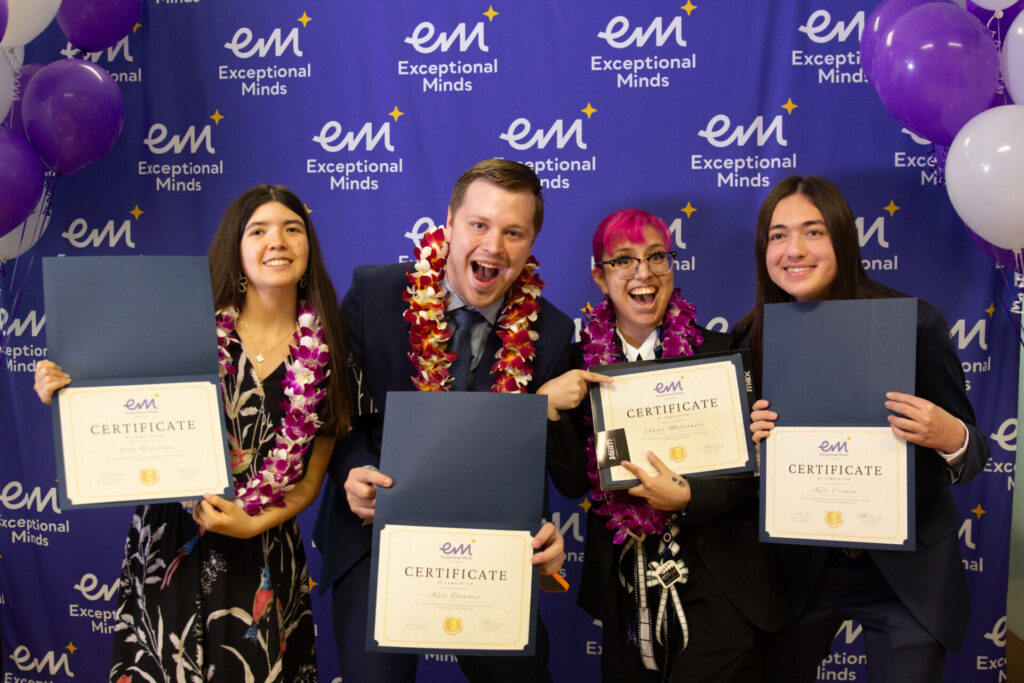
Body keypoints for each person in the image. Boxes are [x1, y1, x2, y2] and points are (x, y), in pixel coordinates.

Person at [34, 185, 350, 682]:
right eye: (259, 230)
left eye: (293, 229)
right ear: (236, 246)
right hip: (171, 544)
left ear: (308, 246)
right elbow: (112, 386)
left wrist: (251, 522)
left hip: (263, 547)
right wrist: (65, 386)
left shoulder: (332, 348)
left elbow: (310, 480)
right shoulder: (186, 325)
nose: (278, 241)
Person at [312, 158, 576, 683]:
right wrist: (354, 472)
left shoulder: (550, 330)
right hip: (377, 537)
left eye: (513, 232)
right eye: (479, 224)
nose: (493, 247)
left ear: (530, 243)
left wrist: (542, 528)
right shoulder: (375, 294)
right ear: (449, 223)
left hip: (490, 544)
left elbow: (542, 468)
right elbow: (338, 414)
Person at [733, 175, 990, 682]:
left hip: (904, 576)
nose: (794, 250)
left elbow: (976, 451)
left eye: (814, 231)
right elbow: (740, 478)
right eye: (778, 235)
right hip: (800, 573)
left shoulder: (915, 324)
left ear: (843, 240)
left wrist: (950, 436)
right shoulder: (750, 337)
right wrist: (750, 445)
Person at [535, 207, 791, 682]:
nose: (643, 273)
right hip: (625, 585)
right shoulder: (574, 366)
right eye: (623, 260)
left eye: (657, 256)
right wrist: (547, 411)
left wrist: (688, 496)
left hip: (719, 579)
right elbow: (572, 485)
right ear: (599, 275)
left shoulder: (720, 355)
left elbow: (750, 473)